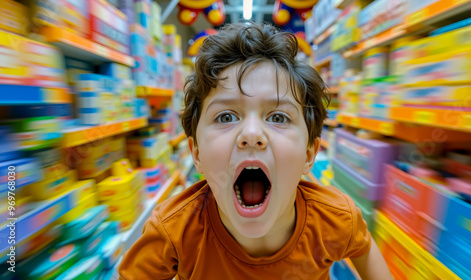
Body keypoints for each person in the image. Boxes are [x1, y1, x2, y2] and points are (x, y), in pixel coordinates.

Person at [119, 21, 393, 280]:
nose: (251, 135)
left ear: (309, 155)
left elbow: (364, 249)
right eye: (226, 117)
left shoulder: (335, 219)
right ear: (197, 153)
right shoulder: (172, 232)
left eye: (278, 118)